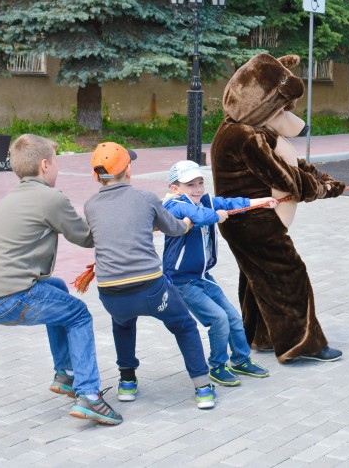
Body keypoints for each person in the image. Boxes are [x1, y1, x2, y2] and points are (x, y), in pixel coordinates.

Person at [0, 134, 122, 425]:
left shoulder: (14, 196)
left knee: (57, 289)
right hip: (6, 297)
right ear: (45, 165)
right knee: (78, 314)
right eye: (56, 162)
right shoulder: (50, 198)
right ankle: (89, 395)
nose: (57, 168)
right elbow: (86, 237)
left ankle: (66, 374)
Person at [83, 142, 217, 409]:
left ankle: (127, 383)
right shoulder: (146, 198)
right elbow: (174, 228)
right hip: (150, 290)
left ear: (97, 176)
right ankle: (203, 387)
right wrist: (187, 223)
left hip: (111, 294)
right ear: (128, 170)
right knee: (184, 325)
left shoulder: (90, 205)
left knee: (122, 323)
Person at [162, 160, 275, 387]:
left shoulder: (205, 201)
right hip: (182, 282)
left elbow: (230, 202)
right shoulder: (172, 206)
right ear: (175, 189)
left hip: (203, 277)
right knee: (218, 319)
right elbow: (200, 216)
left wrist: (261, 201)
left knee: (233, 317)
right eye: (190, 185)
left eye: (200, 183)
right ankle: (217, 365)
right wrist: (218, 216)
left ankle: (241, 360)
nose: (198, 189)